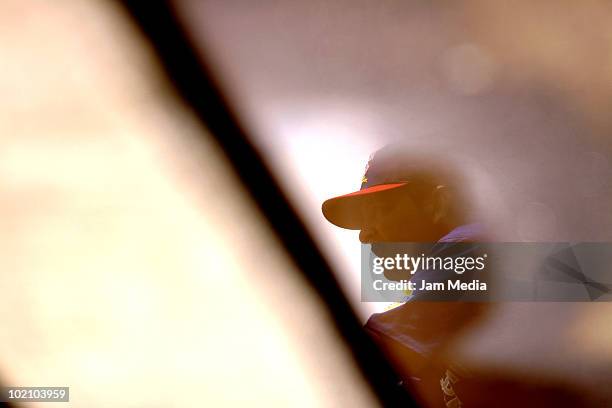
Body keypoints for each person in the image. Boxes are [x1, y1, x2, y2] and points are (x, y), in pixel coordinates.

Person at [322, 143, 488, 407]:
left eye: (376, 211)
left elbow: (385, 346)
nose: (364, 235)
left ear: (437, 203)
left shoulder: (474, 247)